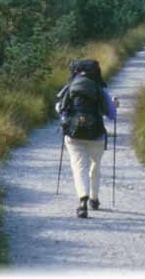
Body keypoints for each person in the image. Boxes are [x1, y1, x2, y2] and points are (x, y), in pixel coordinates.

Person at [55, 59, 117, 218]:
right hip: (96, 134)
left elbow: (60, 108)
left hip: (74, 134)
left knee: (79, 167)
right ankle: (94, 199)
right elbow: (111, 115)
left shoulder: (70, 87)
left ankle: (82, 201)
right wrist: (114, 105)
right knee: (95, 166)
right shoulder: (99, 89)